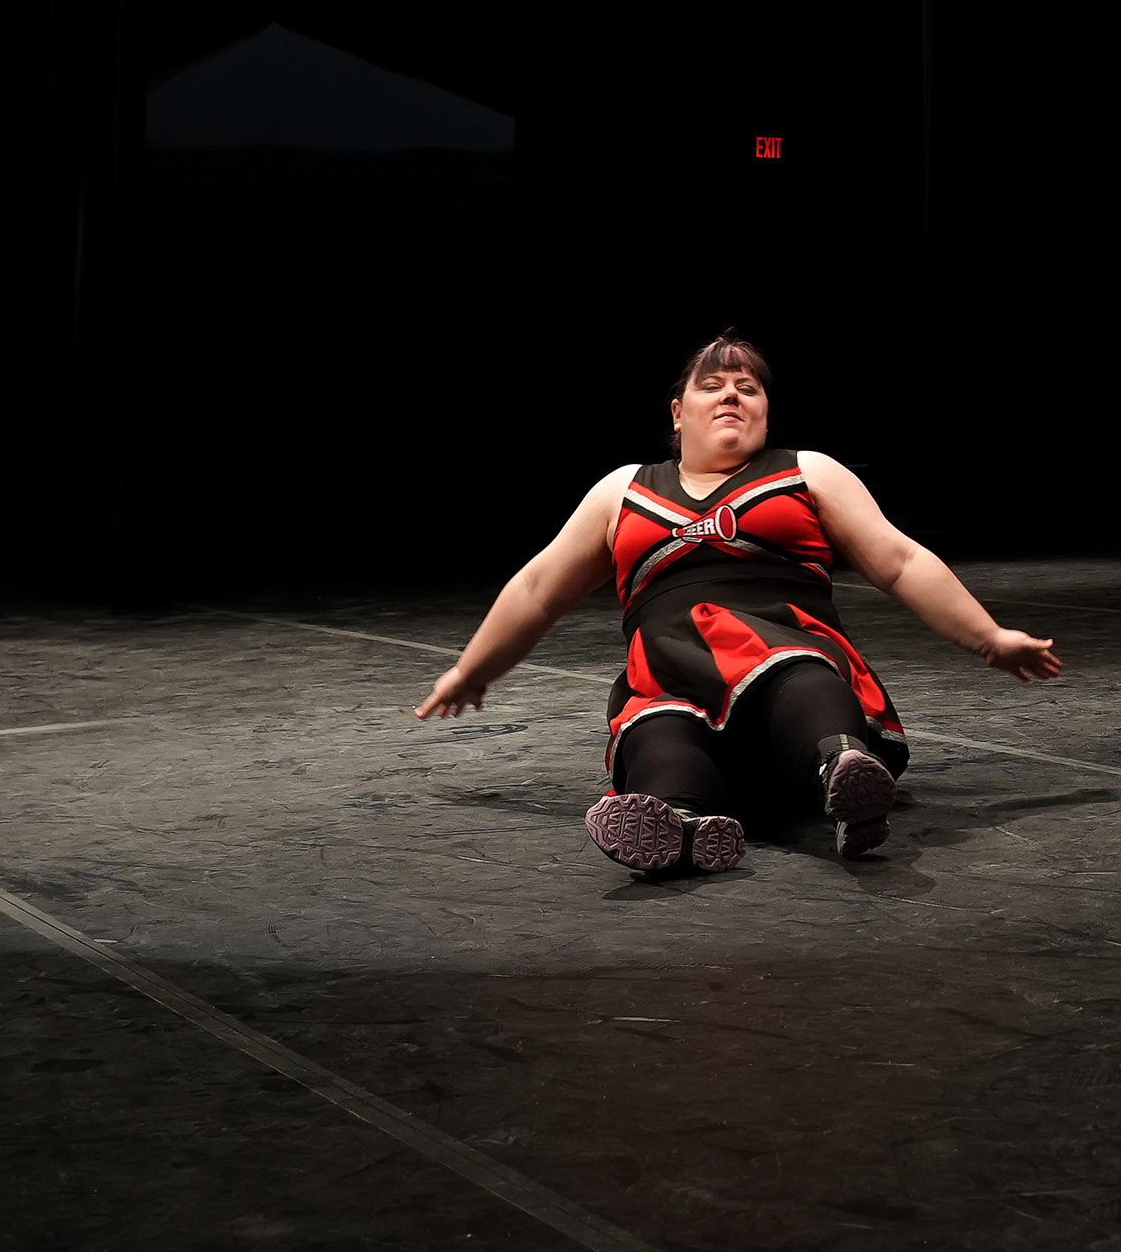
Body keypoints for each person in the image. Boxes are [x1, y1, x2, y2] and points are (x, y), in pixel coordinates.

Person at [414, 329, 1061, 873]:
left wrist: (987, 637)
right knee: (658, 734)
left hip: (789, 673)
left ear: (765, 411)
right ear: (677, 412)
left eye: (748, 387)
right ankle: (685, 828)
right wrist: (473, 670)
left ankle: (844, 769)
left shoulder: (805, 473)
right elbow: (535, 589)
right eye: (713, 384)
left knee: (797, 674)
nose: (731, 394)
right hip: (671, 680)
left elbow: (901, 560)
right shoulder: (624, 492)